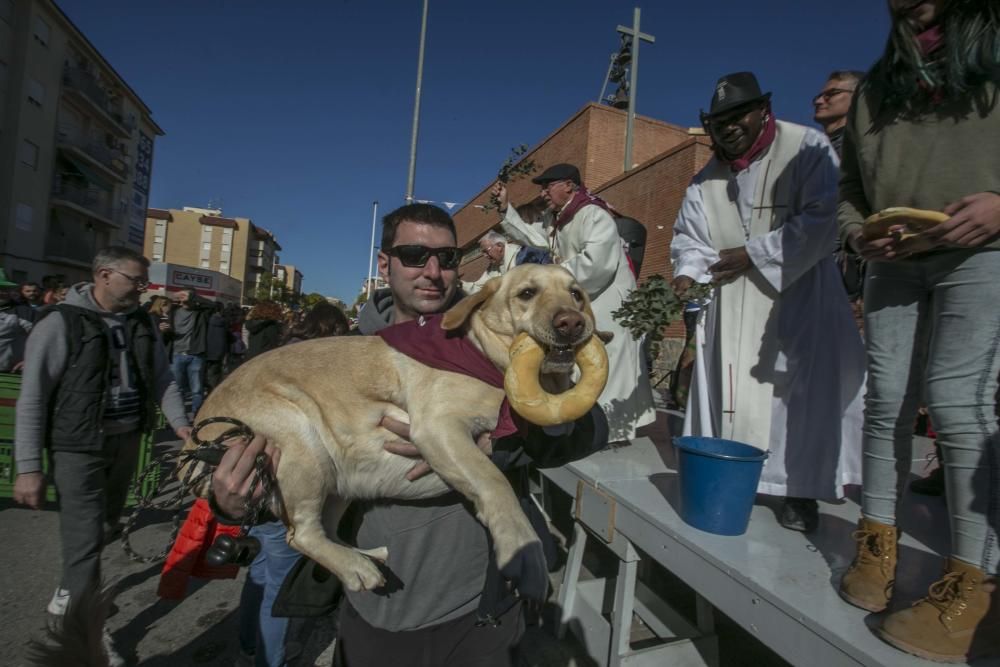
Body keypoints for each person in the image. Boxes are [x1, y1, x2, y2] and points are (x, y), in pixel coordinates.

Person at [211, 203, 607, 667]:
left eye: (447, 257)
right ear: (385, 264)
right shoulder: (337, 352)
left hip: (485, 599)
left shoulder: (493, 342)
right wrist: (233, 504)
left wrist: (498, 447)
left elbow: (588, 427)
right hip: (381, 608)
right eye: (415, 255)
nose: (433, 271)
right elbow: (265, 463)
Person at [836, 1, 1000, 661]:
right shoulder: (877, 87)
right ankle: (877, 548)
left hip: (980, 251)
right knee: (886, 404)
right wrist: (857, 232)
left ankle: (974, 583)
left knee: (958, 401)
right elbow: (851, 184)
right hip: (895, 261)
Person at [670, 71, 866, 533]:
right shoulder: (704, 180)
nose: (729, 127)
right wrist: (685, 273)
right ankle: (733, 476)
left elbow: (825, 218)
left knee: (797, 397)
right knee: (733, 393)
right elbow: (689, 238)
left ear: (763, 110)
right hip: (731, 302)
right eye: (719, 121)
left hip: (798, 298)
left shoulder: (807, 148)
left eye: (739, 115)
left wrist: (755, 254)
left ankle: (800, 491)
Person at [11, 246, 191, 661]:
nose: (142, 289)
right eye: (135, 280)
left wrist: (182, 424)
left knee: (105, 527)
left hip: (127, 441)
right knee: (86, 539)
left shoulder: (142, 322)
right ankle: (86, 631)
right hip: (77, 446)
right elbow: (33, 395)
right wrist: (28, 467)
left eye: (144, 281)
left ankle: (72, 588)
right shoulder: (60, 322)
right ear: (104, 275)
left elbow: (163, 379)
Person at [493, 163, 655, 442]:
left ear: (569, 185)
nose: (543, 192)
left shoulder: (593, 214)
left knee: (608, 364)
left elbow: (597, 264)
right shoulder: (558, 220)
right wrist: (507, 208)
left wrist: (555, 278)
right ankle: (588, 428)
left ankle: (610, 432)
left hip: (606, 301)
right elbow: (533, 238)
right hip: (581, 299)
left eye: (548, 186)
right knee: (586, 364)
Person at [170, 288, 211, 418]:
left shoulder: (200, 313)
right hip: (177, 353)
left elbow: (213, 305)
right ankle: (179, 416)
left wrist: (192, 297)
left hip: (195, 354)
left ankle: (197, 416)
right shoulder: (173, 311)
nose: (184, 300)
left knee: (197, 390)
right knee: (178, 389)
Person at [812, 70, 863, 157]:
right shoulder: (811, 147)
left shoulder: (863, 144)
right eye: (818, 97)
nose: (818, 101)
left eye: (831, 94)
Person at [0, 272, 33, 372]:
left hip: (11, 374)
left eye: (5, 289)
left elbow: (42, 338)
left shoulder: (23, 311)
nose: (2, 292)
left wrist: (29, 360)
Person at [205, 302, 231, 392]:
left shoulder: (206, 320)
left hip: (206, 349)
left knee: (207, 372)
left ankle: (208, 387)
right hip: (219, 352)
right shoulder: (224, 322)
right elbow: (227, 336)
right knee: (215, 373)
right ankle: (213, 390)